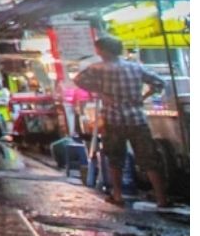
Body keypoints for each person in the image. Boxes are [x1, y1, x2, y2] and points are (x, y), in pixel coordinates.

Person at [73, 35, 170, 208]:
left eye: (98, 49)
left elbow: (78, 80)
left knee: (115, 159)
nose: (97, 52)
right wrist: (143, 97)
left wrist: (99, 92)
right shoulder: (135, 67)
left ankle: (117, 195)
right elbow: (159, 82)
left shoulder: (98, 68)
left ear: (103, 50)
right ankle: (161, 198)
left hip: (113, 119)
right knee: (149, 159)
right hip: (137, 119)